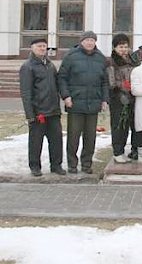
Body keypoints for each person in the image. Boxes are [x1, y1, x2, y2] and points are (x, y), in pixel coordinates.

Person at [58, 30, 108, 174]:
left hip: (93, 103)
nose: (89, 43)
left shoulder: (100, 58)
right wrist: (66, 96)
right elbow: (62, 77)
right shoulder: (71, 56)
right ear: (81, 41)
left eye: (92, 40)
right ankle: (72, 164)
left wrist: (104, 99)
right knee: (73, 136)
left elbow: (104, 81)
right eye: (87, 40)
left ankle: (87, 164)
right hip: (75, 103)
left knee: (90, 137)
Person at [19, 38, 65, 177]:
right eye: (39, 46)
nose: (42, 49)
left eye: (44, 46)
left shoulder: (50, 65)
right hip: (38, 112)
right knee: (35, 142)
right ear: (32, 48)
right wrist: (30, 114)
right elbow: (26, 92)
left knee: (56, 141)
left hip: (53, 110)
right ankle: (35, 166)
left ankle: (56, 165)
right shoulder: (28, 67)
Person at [107, 33, 138, 164]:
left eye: (126, 46)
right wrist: (122, 88)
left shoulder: (133, 59)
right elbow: (111, 81)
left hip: (132, 96)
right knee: (119, 125)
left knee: (131, 125)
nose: (124, 49)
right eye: (121, 47)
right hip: (118, 97)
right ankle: (118, 152)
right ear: (115, 48)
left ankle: (132, 150)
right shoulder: (111, 61)